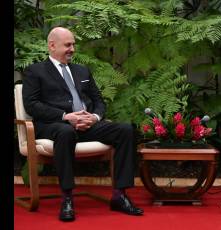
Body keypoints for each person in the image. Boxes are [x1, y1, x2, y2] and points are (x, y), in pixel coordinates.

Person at [22, 27, 143, 222]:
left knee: (125, 130)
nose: (72, 49)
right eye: (68, 45)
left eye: (73, 45)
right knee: (65, 132)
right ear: (52, 46)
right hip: (55, 126)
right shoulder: (35, 71)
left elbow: (99, 101)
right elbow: (32, 105)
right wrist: (66, 116)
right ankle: (67, 198)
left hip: (87, 124)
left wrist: (94, 117)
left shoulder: (82, 70)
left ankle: (120, 195)